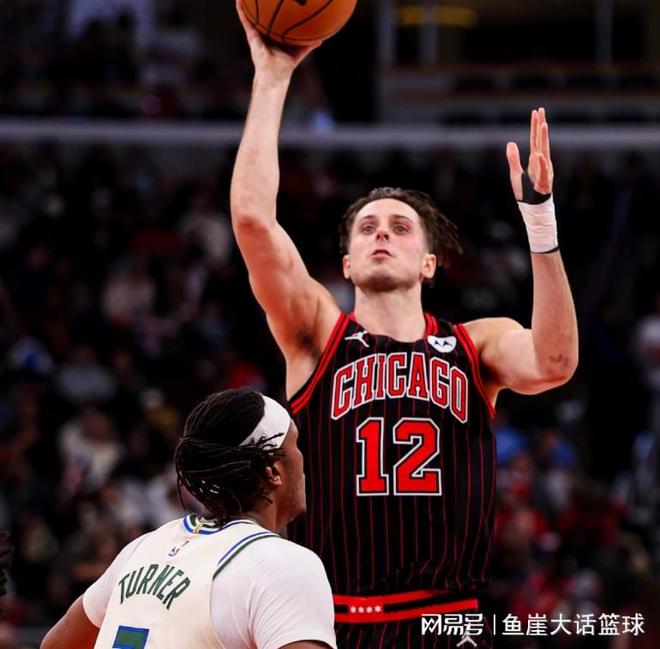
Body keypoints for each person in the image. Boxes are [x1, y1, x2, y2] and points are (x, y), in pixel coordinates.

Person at [230, 3, 578, 647]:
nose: (381, 234)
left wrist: (541, 224)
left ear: (428, 262)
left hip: (446, 620)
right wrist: (273, 77)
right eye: (367, 228)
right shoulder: (317, 334)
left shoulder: (477, 343)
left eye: (399, 227)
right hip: (328, 618)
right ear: (347, 263)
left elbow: (555, 362)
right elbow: (253, 221)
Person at [40, 388, 337, 649]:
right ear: (273, 471)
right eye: (296, 445)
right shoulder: (283, 564)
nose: (303, 458)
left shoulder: (141, 549)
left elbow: (55, 644)